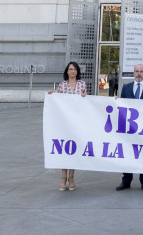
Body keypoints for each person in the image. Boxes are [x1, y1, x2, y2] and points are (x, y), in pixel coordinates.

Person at [116, 63, 143, 192]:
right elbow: (121, 105)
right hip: (129, 128)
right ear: (133, 73)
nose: (139, 73)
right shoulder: (126, 87)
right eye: (137, 71)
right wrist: (115, 101)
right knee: (128, 154)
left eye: (141, 71)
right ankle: (126, 181)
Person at [46, 61, 87, 191]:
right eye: (70, 69)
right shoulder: (62, 85)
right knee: (64, 149)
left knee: (73, 149)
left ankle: (72, 177)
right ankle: (63, 178)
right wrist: (51, 95)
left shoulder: (82, 84)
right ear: (67, 71)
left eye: (75, 69)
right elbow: (57, 101)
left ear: (77, 71)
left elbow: (87, 103)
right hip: (64, 123)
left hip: (77, 122)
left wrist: (85, 97)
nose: (72, 71)